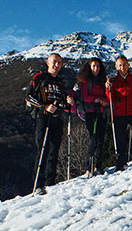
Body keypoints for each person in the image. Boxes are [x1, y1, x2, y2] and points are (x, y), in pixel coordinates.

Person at [25, 53, 74, 195]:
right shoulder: (39, 78)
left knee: (54, 151)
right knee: (43, 151)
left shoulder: (61, 82)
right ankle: (37, 185)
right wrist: (44, 106)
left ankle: (50, 182)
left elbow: (63, 101)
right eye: (54, 62)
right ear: (48, 62)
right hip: (43, 118)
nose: (56, 65)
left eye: (59, 62)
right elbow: (29, 97)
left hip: (57, 119)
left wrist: (68, 102)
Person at [105, 55, 132, 171]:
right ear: (116, 66)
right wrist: (108, 88)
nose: (122, 67)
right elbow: (110, 98)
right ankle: (121, 163)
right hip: (119, 113)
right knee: (121, 139)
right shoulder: (113, 81)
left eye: (124, 64)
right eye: (119, 65)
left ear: (128, 65)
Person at [76, 58, 109, 176]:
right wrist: (95, 100)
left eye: (98, 66)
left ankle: (98, 166)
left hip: (101, 112)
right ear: (89, 67)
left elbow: (106, 95)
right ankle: (89, 166)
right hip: (90, 112)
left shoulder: (102, 81)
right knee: (93, 139)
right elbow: (85, 97)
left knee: (100, 140)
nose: (96, 68)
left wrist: (104, 101)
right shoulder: (85, 81)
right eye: (94, 66)